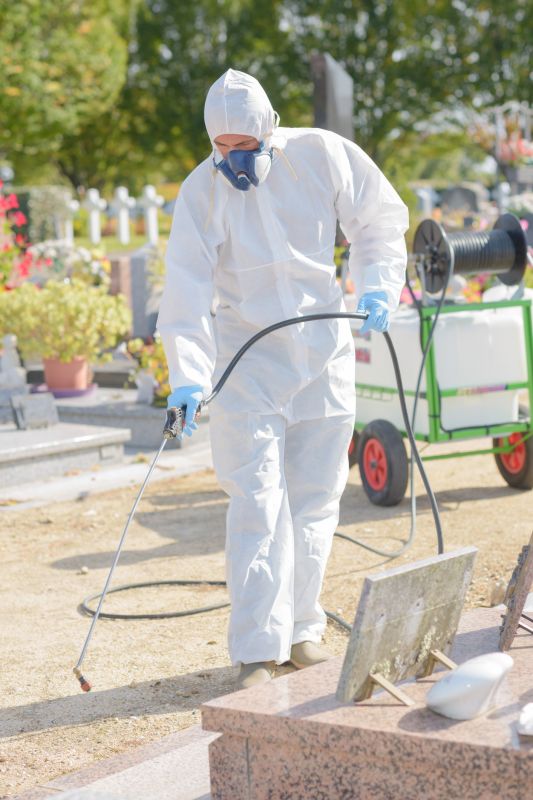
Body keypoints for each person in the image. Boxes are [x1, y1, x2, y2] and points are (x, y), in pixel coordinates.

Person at [157, 68, 408, 689]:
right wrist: (188, 377)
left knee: (317, 499)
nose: (236, 160)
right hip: (249, 363)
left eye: (246, 145)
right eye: (223, 148)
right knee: (258, 502)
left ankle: (301, 632)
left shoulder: (322, 155)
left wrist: (378, 286)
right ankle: (256, 650)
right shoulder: (201, 193)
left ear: (270, 128)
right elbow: (186, 290)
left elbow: (379, 219)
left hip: (323, 352)